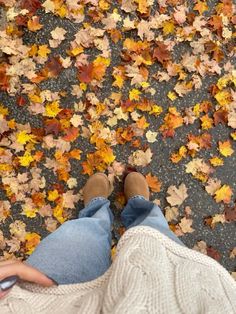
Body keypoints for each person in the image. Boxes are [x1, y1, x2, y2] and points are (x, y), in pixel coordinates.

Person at [0, 172, 236, 313]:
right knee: (152, 233)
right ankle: (139, 205)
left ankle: (97, 209)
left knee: (81, 236)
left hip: (48, 305)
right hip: (175, 299)